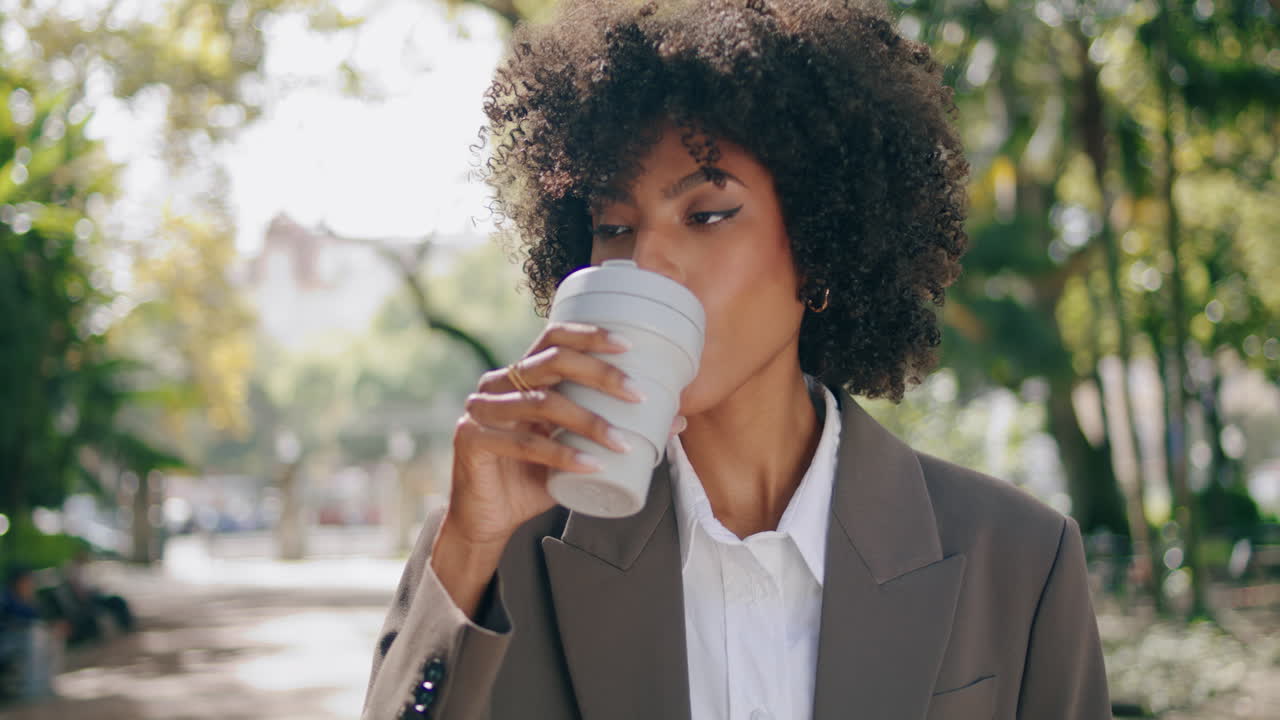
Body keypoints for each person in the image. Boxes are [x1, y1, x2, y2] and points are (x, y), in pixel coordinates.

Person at [362, 1, 1111, 719]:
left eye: (708, 214)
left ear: (820, 248)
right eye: (614, 226)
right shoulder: (497, 551)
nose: (648, 261)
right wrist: (464, 552)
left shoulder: (1018, 558)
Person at [0, 566, 68, 702]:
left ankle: (45, 685)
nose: (30, 584)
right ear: (18, 581)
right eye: (27, 580)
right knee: (36, 634)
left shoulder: (26, 597)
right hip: (6, 640)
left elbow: (37, 617)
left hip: (22, 638)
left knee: (52, 634)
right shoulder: (5, 596)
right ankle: (33, 690)